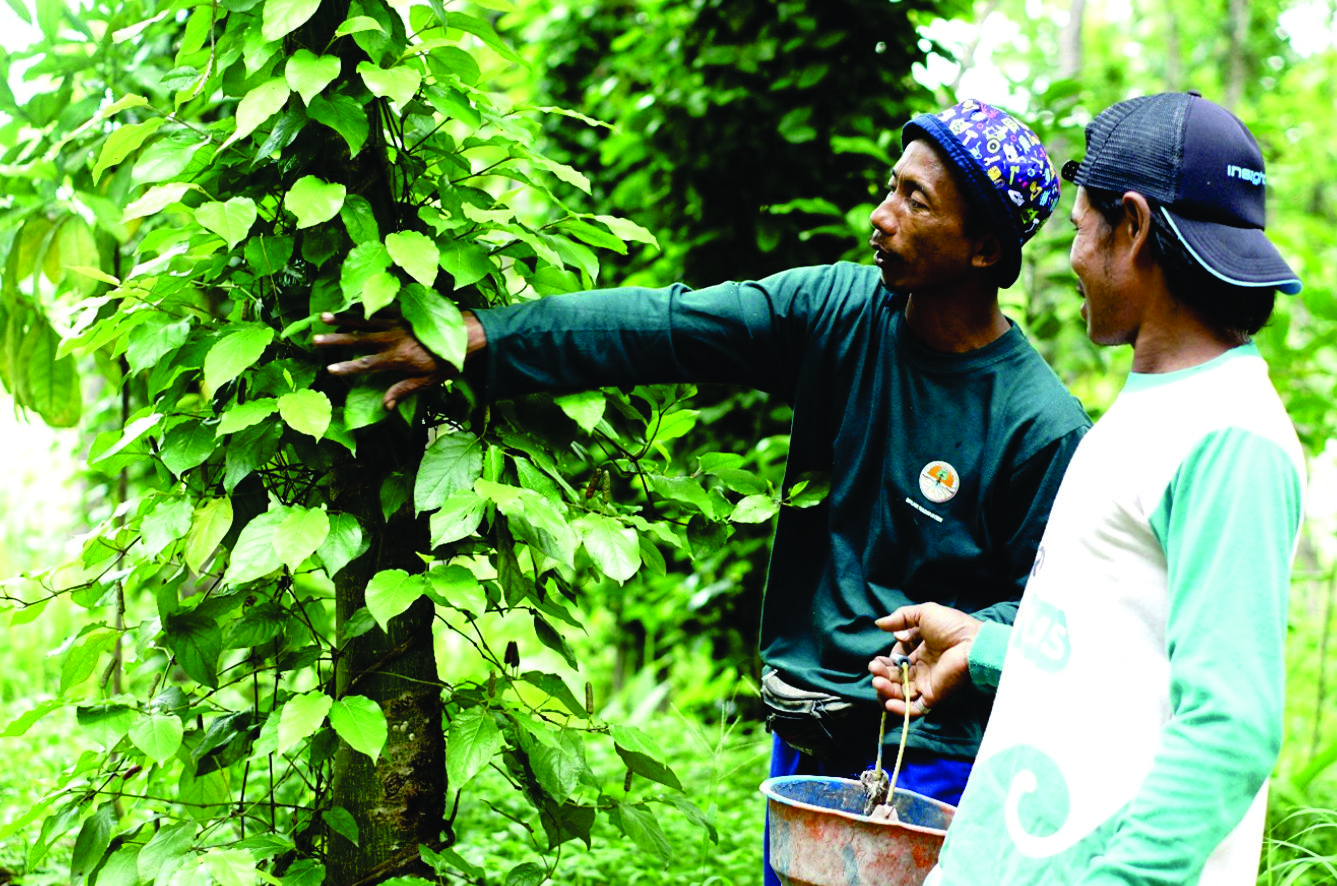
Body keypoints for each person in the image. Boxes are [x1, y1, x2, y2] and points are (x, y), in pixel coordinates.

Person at [315, 99, 1090, 884]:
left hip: (929, 764)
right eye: (890, 187)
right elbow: (667, 326)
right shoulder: (837, 312)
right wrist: (480, 339)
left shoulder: (1039, 427)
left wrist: (968, 639)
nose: (880, 216)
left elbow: (1057, 621)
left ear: (985, 248)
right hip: (805, 741)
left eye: (914, 200)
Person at [870, 91, 1306, 885]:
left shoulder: (1230, 439)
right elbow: (1119, 655)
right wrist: (980, 647)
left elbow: (1230, 727)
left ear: (1130, 227)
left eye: (1077, 229)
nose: (1071, 259)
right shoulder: (1151, 410)